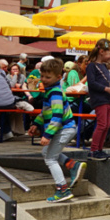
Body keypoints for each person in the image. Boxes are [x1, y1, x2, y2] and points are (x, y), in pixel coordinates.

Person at [25, 59, 85, 203]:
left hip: (64, 128)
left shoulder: (55, 93)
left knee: (50, 158)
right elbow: (46, 111)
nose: (44, 80)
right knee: (47, 152)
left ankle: (63, 189)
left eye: (48, 77)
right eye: (43, 76)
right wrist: (36, 124)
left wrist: (47, 134)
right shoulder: (51, 91)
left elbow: (57, 116)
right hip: (64, 128)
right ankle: (72, 165)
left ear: (58, 77)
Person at [86, 39, 110, 160]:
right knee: (102, 124)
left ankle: (99, 148)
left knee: (106, 125)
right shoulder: (92, 66)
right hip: (99, 99)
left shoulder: (103, 66)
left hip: (106, 98)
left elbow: (104, 82)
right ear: (102, 52)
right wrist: (106, 89)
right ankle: (94, 149)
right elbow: (92, 83)